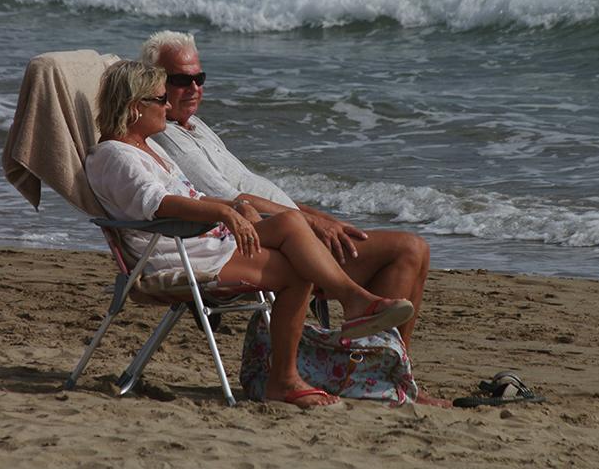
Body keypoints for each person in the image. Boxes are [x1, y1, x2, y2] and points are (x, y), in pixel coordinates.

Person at [140, 32, 452, 408]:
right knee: (406, 250)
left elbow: (251, 186)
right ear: (155, 83)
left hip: (293, 228)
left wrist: (319, 217)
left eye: (199, 79)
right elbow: (230, 200)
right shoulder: (167, 137)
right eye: (180, 80)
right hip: (276, 243)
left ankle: (393, 376)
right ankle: (385, 375)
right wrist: (309, 224)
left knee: (415, 251)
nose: (193, 88)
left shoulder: (196, 126)